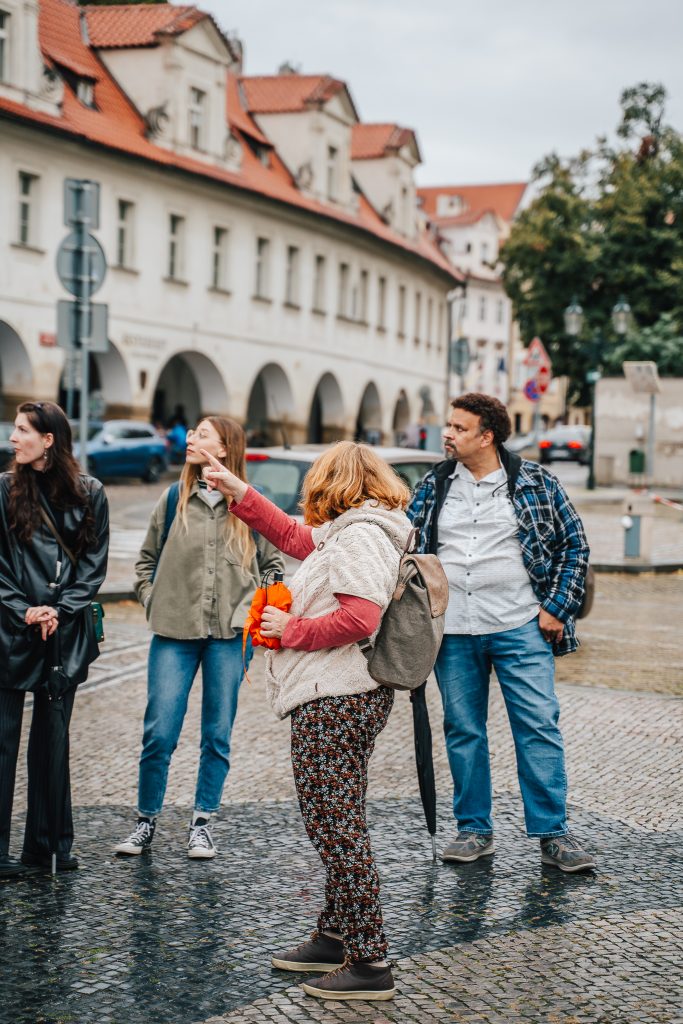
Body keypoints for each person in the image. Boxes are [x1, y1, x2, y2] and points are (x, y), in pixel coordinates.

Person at [202, 441, 412, 1002]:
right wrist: (238, 491)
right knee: (335, 818)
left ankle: (370, 962)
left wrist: (287, 628)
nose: (308, 499)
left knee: (336, 827)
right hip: (336, 695)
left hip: (338, 698)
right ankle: (337, 932)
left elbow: (360, 618)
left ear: (333, 484)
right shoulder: (353, 530)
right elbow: (296, 538)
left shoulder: (363, 536)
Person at [408, 393, 596, 873]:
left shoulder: (535, 481)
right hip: (453, 631)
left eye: (458, 427)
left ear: (486, 436)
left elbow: (576, 544)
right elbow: (407, 546)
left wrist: (556, 608)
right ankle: (474, 829)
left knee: (537, 726)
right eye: (448, 425)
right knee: (463, 730)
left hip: (519, 626)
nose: (447, 434)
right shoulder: (434, 485)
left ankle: (553, 833)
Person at [114, 417, 282, 860]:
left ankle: (202, 823)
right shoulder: (173, 499)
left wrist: (257, 608)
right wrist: (152, 600)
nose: (190, 439)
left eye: (202, 434)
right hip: (173, 632)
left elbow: (273, 566)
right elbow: (145, 561)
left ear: (225, 449)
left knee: (217, 735)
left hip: (229, 637)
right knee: (159, 732)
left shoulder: (249, 505)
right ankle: (145, 821)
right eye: (191, 433)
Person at [0, 401, 109, 877]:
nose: (13, 437)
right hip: (10, 629)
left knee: (52, 740)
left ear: (49, 440)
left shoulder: (91, 493)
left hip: (62, 633)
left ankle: (47, 848)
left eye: (22, 430)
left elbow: (92, 564)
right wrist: (24, 608)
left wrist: (59, 610)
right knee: (2, 741)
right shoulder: (3, 491)